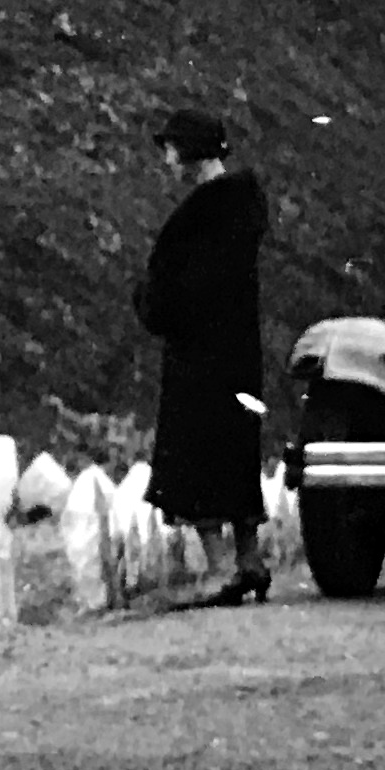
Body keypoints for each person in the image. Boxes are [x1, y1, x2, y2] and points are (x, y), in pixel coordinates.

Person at [135, 107, 272, 604]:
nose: (167, 156)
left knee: (197, 461)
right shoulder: (240, 208)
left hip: (198, 357)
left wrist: (148, 300)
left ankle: (220, 571)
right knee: (236, 453)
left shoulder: (202, 214)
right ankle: (250, 560)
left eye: (171, 146)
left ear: (190, 150)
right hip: (237, 353)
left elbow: (184, 290)